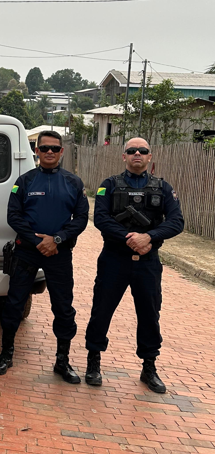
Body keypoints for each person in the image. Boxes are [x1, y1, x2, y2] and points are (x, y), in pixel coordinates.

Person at [84, 137, 184, 393]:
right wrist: (130, 238)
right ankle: (93, 362)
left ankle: (149, 367)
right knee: (102, 310)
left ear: (150, 156)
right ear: (124, 156)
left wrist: (149, 237)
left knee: (150, 314)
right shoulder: (109, 185)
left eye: (142, 151)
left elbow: (176, 221)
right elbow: (101, 219)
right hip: (114, 260)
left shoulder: (163, 188)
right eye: (131, 151)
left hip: (148, 262)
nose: (137, 154)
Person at [0, 130, 89, 383]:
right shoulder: (24, 182)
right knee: (14, 305)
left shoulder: (73, 183)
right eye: (44, 148)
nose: (49, 152)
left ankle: (62, 361)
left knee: (64, 308)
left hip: (59, 254)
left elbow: (80, 220)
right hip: (27, 253)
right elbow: (14, 216)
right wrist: (38, 241)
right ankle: (6, 354)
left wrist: (55, 240)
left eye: (54, 149)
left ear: (61, 151)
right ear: (36, 151)